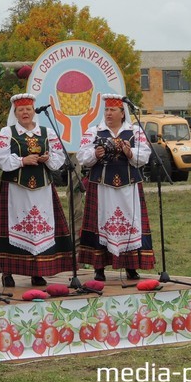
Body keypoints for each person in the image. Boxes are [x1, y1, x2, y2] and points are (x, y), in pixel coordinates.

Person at [0, 94, 71, 287]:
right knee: (13, 226)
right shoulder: (7, 132)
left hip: (42, 189)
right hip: (16, 188)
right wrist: (23, 161)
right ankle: (8, 272)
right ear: (15, 113)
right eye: (21, 110)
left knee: (39, 228)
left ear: (34, 111)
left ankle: (38, 271)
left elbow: (59, 159)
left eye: (28, 109)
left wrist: (47, 158)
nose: (25, 112)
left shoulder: (47, 132)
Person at [76, 94, 155, 281]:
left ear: (122, 113)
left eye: (112, 110)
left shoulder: (135, 131)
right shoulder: (94, 131)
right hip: (102, 187)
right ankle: (99, 267)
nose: (108, 114)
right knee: (100, 223)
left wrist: (129, 152)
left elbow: (144, 156)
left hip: (129, 187)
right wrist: (95, 154)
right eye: (106, 110)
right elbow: (82, 156)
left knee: (130, 223)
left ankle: (131, 267)